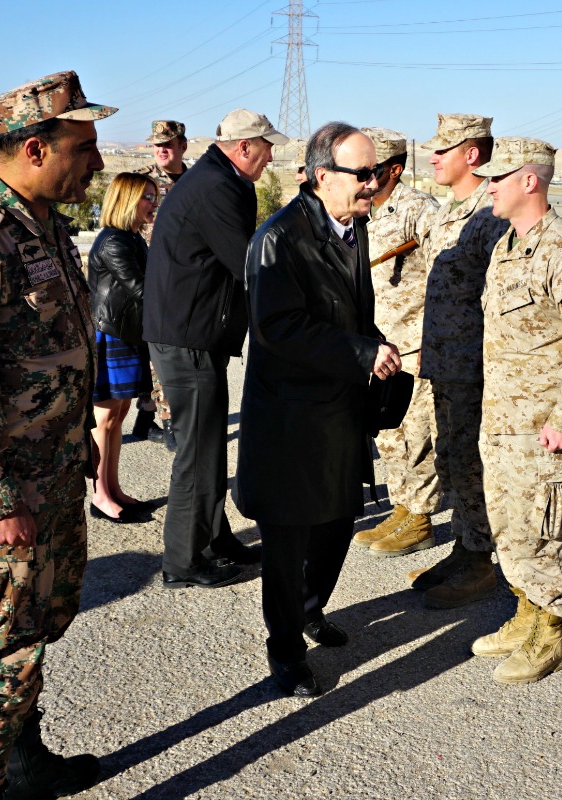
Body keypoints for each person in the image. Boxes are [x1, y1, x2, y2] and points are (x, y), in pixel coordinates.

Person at [0, 70, 114, 800]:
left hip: (53, 471)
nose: (97, 161)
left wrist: (81, 441)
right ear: (34, 147)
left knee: (38, 631)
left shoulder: (47, 223)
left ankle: (25, 765)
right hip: (5, 495)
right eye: (83, 146)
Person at [236, 122, 401, 698]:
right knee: (287, 542)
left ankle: (311, 610)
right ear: (322, 175)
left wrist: (377, 345)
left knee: (335, 524)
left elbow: (349, 313)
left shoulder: (351, 227)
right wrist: (361, 352)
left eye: (376, 172)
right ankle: (284, 650)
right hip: (291, 420)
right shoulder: (280, 238)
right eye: (362, 173)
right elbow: (279, 329)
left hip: (339, 411)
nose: (373, 183)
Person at [471, 137, 562, 684]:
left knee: (543, 529)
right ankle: (525, 615)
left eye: (498, 177)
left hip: (545, 429)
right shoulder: (508, 246)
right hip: (505, 423)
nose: (487, 186)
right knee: (512, 528)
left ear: (529, 181)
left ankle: (550, 633)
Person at [145, 108, 286, 589]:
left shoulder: (218, 178)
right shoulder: (215, 187)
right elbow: (249, 262)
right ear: (245, 147)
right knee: (197, 453)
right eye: (267, 147)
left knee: (207, 451)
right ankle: (183, 561)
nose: (271, 157)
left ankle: (214, 537)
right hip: (188, 338)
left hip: (196, 334)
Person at [408, 114, 509, 608]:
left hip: (474, 367)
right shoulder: (449, 212)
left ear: (472, 154)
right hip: (445, 360)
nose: (432, 157)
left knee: (471, 462)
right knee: (450, 456)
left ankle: (480, 562)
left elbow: (500, 297)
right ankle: (465, 544)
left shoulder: (491, 214)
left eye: (442, 150)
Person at [352, 127, 441, 558]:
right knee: (388, 432)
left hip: (415, 343)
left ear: (396, 169)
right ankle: (403, 506)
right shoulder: (362, 209)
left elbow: (447, 274)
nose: (365, 178)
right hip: (379, 344)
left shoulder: (418, 209)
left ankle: (421, 519)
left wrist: (436, 337)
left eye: (373, 170)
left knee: (417, 434)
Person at [87, 172, 160, 523]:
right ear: (127, 199)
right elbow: (142, 290)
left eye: (154, 196)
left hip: (126, 333)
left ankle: (113, 489)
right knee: (104, 419)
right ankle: (100, 496)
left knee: (118, 416)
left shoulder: (132, 239)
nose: (153, 202)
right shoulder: (114, 241)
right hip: (109, 333)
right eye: (147, 196)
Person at [134, 119, 189, 448]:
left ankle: (146, 417)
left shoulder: (196, 179)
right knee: (156, 349)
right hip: (149, 274)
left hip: (184, 276)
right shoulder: (142, 179)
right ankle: (168, 423)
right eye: (157, 145)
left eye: (168, 144)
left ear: (183, 145)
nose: (162, 150)